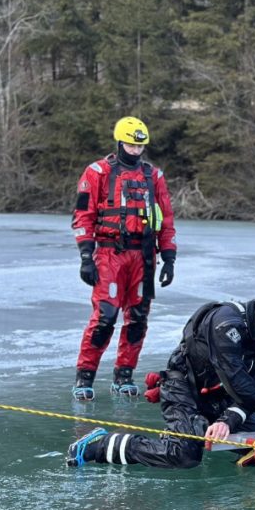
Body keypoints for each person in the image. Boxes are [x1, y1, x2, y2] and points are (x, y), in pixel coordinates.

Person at [66, 286, 255, 469]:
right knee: (184, 455)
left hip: (221, 394)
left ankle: (198, 429)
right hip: (184, 386)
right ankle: (99, 444)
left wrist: (227, 420)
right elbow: (235, 377)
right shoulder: (226, 323)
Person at [71, 116, 177, 400]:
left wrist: (169, 257)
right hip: (110, 254)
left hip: (144, 256)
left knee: (138, 319)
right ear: (119, 142)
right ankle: (85, 377)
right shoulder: (97, 172)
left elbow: (166, 219)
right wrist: (86, 256)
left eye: (140, 146)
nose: (135, 150)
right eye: (131, 145)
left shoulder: (154, 177)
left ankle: (124, 376)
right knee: (105, 318)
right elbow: (82, 215)